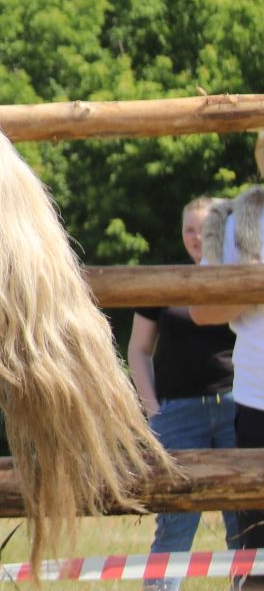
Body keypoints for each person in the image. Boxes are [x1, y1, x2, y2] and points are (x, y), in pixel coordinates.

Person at [128, 196, 238, 591]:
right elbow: (138, 349)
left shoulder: (238, 278)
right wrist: (152, 407)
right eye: (188, 229)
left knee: (243, 519)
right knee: (176, 520)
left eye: (204, 229)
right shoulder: (165, 279)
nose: (196, 237)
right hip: (177, 415)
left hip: (233, 411)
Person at [191, 178, 264, 577]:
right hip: (257, 400)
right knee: (257, 551)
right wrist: (254, 286)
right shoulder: (235, 220)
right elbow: (203, 311)